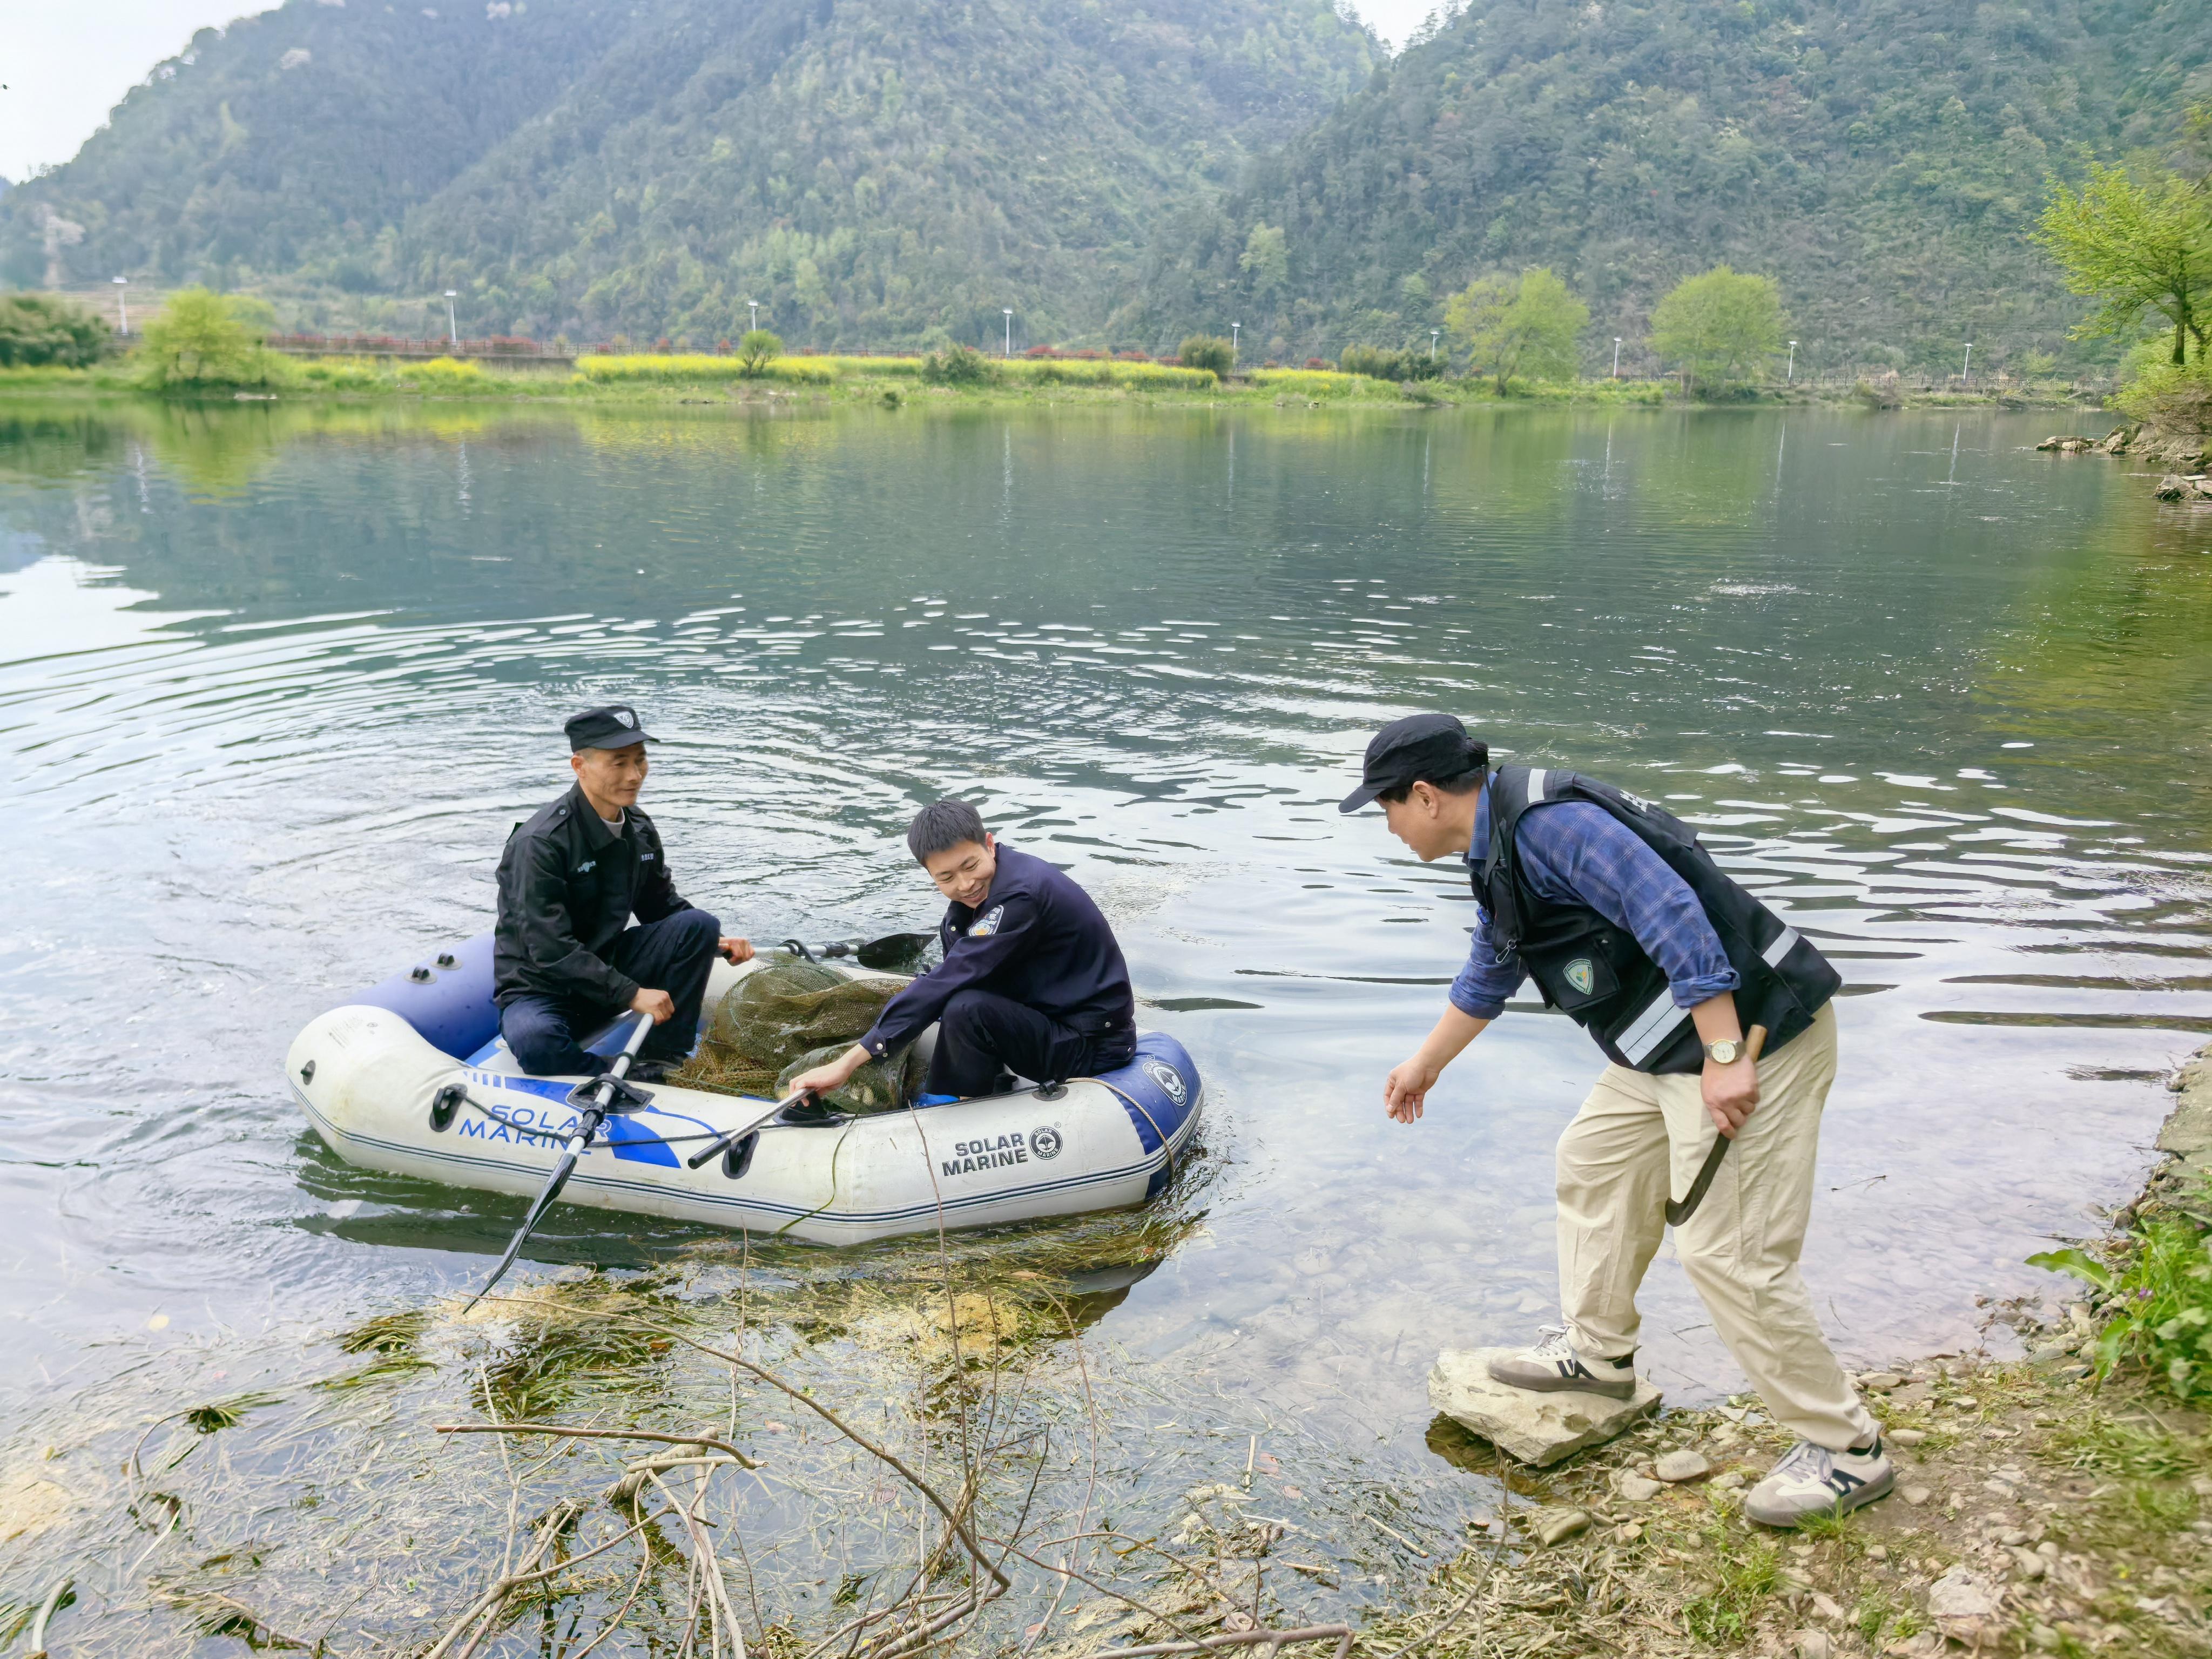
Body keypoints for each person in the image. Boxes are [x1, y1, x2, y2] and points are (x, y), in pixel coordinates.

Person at [1342, 713, 1889, 1529]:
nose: (1387, 826)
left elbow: (1669, 909)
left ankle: (1848, 1450)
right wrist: (1428, 1063)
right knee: (1594, 1160)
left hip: (1752, 1040)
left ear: (1424, 796)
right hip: (1666, 1052)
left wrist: (1725, 1052)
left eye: (1384, 807)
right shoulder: (1496, 846)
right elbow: (1493, 964)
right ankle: (1598, 1358)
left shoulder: (1553, 827)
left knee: (1730, 1255)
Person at [790, 800, 1136, 1102]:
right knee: (952, 997)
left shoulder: (1020, 896)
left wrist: (847, 1063)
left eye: (970, 866)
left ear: (989, 844)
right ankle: (973, 1088)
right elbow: (954, 976)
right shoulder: (968, 908)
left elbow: (952, 980)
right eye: (946, 878)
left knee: (965, 1007)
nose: (965, 884)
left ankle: (956, 1107)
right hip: (1051, 1018)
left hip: (1093, 1046)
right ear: (930, 875)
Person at [493, 704, 751, 1079]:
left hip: (606, 966)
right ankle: (614, 1073)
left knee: (699, 925)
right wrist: (630, 993)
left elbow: (660, 905)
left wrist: (719, 941)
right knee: (537, 1041)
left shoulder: (638, 827)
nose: (634, 775)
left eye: (640, 760)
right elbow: (549, 949)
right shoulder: (540, 843)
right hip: (543, 987)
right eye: (619, 763)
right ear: (580, 766)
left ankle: (665, 1057)